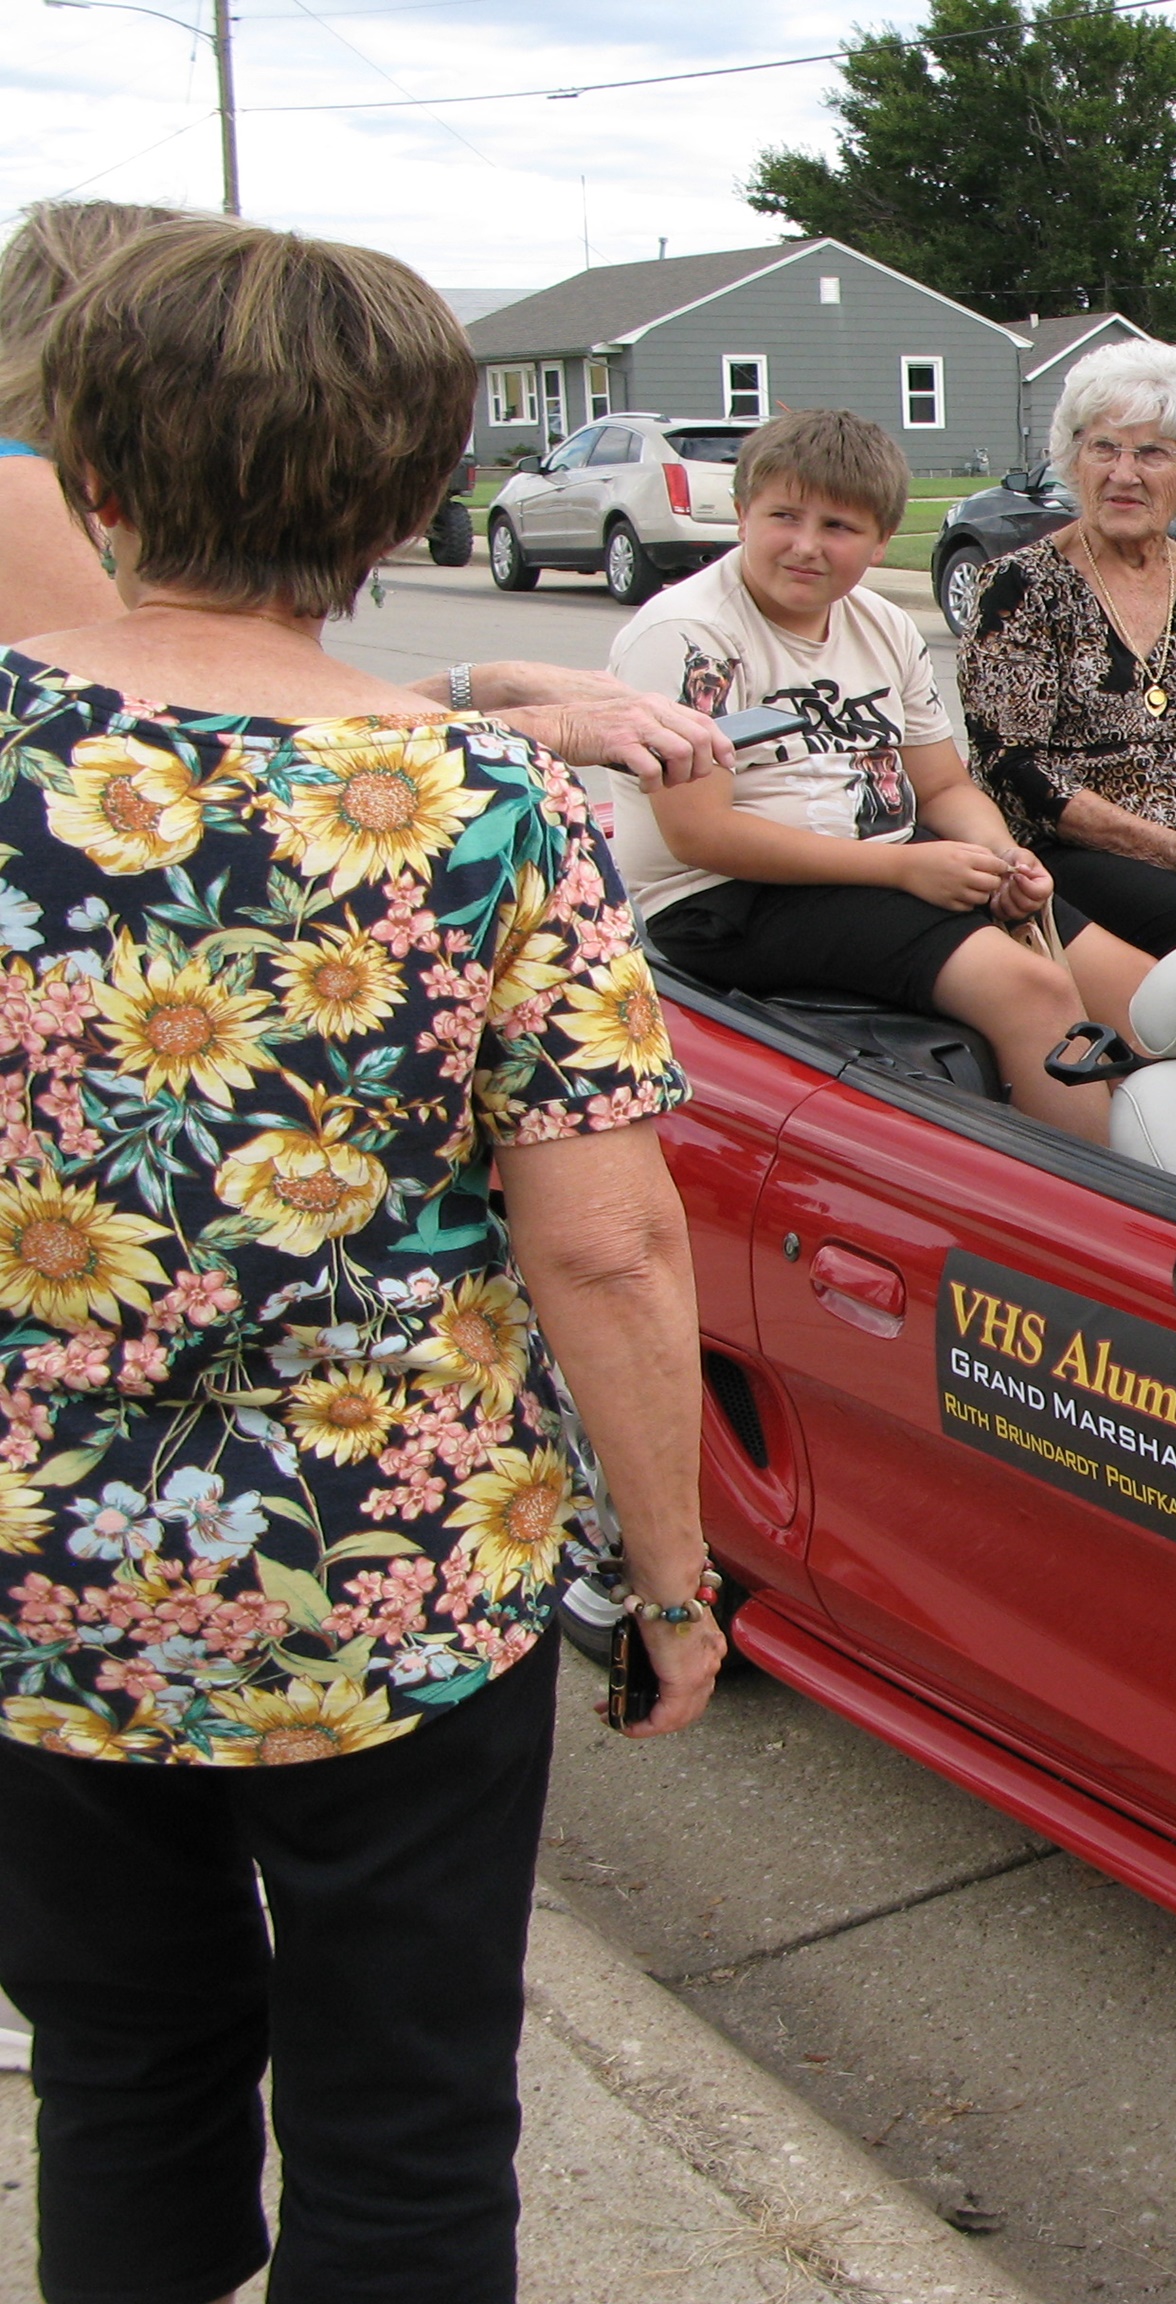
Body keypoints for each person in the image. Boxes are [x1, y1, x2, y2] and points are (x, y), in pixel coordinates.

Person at [0, 213, 724, 2304]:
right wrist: (671, 1581)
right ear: (409, 504)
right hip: (386, 1575)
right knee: (406, 2118)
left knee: (121, 2070)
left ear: (94, 472)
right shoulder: (485, 803)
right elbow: (606, 1244)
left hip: (39, 1571)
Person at [0, 197, 735, 793]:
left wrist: (475, 692)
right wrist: (495, 746)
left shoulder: (30, 691)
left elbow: (213, 727)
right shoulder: (18, 489)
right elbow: (172, 746)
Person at [610, 408, 1153, 1146]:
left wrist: (1002, 858)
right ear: (741, 514)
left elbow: (944, 788)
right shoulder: (690, 635)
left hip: (884, 864)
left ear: (881, 541)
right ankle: (1104, 1203)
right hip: (726, 896)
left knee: (1146, 1000)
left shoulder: (881, 624)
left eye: (838, 526)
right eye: (783, 517)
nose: (807, 546)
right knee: (1028, 987)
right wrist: (903, 870)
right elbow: (698, 834)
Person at [960, 338, 1176, 954]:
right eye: (1104, 448)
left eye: (1153, 453)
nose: (1123, 473)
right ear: (1074, 457)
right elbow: (1011, 767)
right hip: (1073, 851)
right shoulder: (1019, 585)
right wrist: (1170, 849)